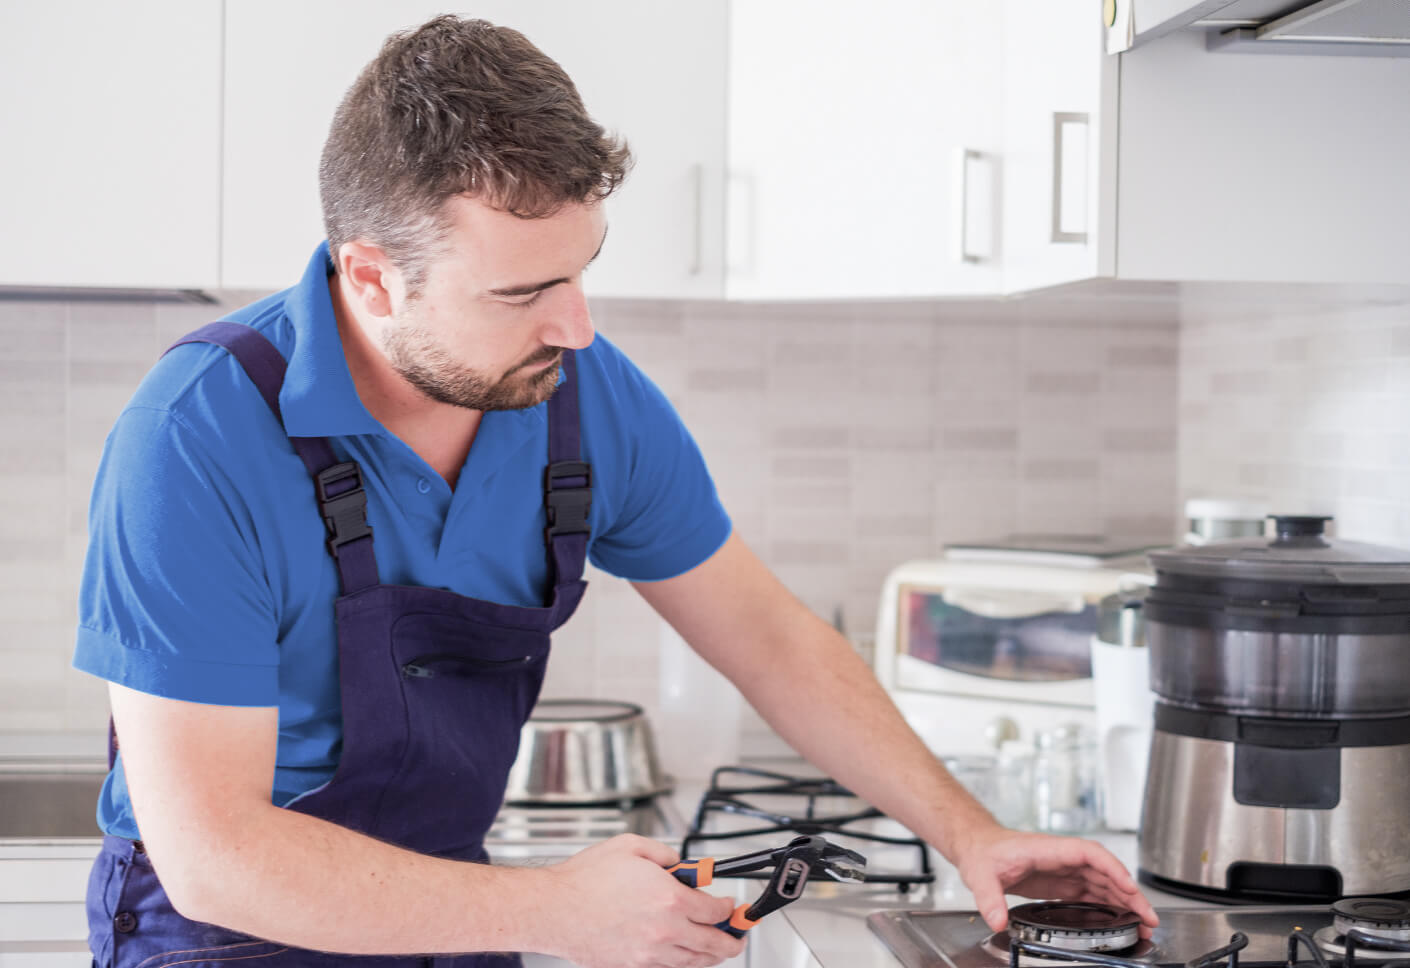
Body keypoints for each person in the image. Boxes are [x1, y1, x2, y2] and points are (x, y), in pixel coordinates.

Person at [73, 15, 1157, 968]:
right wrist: (556, 906)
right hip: (220, 937)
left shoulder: (585, 400)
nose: (576, 325)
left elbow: (769, 637)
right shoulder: (198, 436)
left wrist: (972, 831)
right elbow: (214, 852)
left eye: (583, 268)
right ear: (371, 277)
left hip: (449, 913)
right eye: (524, 290)